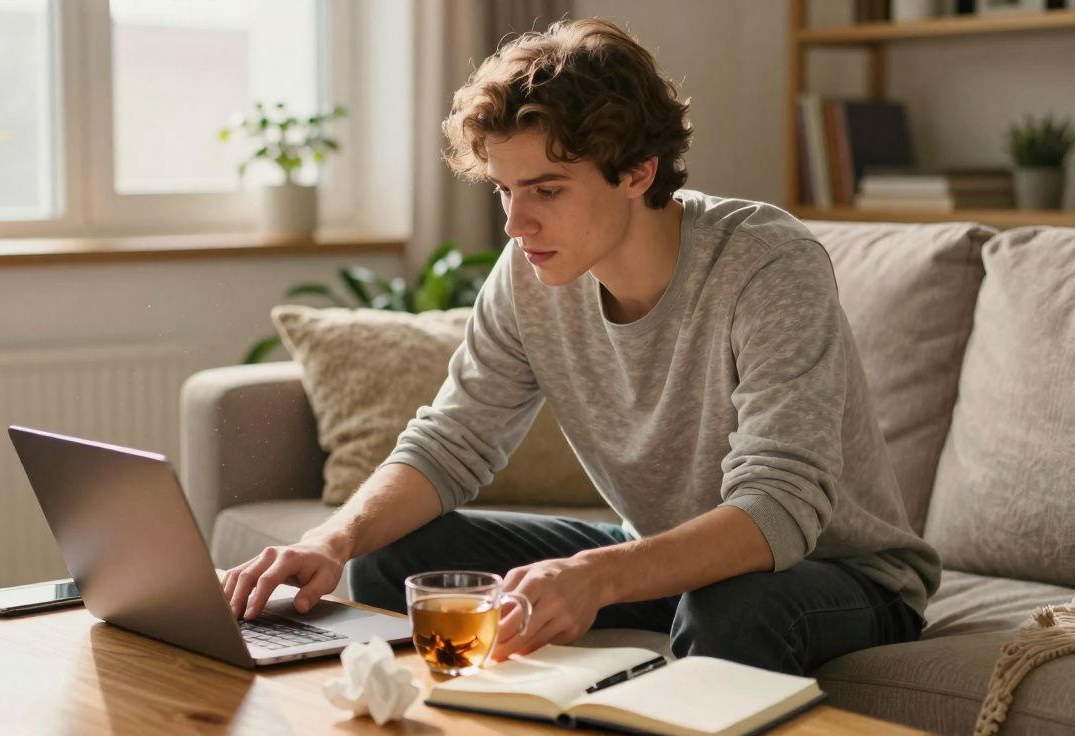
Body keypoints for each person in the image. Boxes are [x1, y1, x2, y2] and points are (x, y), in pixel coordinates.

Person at [222, 17, 939, 675]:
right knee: (394, 557)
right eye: (504, 191)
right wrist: (331, 541)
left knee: (731, 608)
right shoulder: (530, 275)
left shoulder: (767, 265)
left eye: (546, 190)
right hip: (666, 561)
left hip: (834, 574)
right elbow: (451, 444)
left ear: (637, 172)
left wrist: (600, 575)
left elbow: (781, 508)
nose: (515, 224)